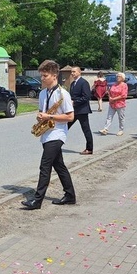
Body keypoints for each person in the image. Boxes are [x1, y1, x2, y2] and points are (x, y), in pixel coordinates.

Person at [21, 60, 76, 210]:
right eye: (42, 76)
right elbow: (42, 112)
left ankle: (37, 200)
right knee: (59, 166)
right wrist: (40, 117)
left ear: (54, 75)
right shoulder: (43, 93)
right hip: (46, 133)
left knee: (45, 165)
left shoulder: (62, 94)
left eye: (45, 76)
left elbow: (70, 117)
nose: (42, 78)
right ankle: (70, 195)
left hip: (57, 134)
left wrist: (49, 117)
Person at [67, 66, 93, 155]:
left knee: (86, 129)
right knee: (65, 127)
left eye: (74, 72)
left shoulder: (83, 83)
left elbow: (86, 97)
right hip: (73, 110)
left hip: (82, 110)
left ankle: (89, 149)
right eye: (71, 72)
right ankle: (56, 145)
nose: (72, 73)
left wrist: (74, 102)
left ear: (79, 72)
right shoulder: (72, 83)